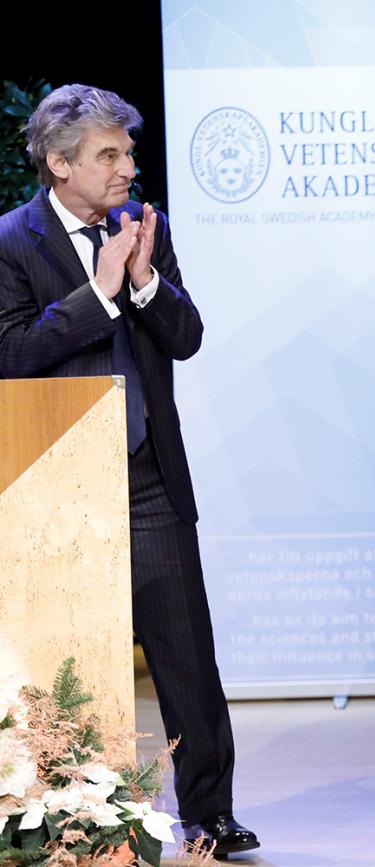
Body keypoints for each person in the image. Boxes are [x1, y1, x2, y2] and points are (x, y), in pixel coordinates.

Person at [0, 84, 258, 855]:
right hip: (57, 483)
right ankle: (66, 814)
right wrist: (100, 294)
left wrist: (144, 280)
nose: (127, 167)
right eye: (109, 155)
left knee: (187, 657)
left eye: (128, 152)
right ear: (59, 162)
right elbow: (10, 352)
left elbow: (187, 337)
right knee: (68, 660)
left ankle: (209, 810)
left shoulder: (146, 227)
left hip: (148, 477)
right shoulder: (13, 240)